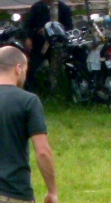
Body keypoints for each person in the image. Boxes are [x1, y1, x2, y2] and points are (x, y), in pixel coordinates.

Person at [0, 46, 58, 203]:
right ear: (18, 69)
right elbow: (43, 152)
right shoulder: (28, 101)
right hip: (13, 192)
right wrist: (52, 191)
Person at [24, 0, 73, 92]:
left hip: (57, 45)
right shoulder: (37, 7)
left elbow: (69, 27)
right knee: (30, 68)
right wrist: (28, 38)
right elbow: (28, 25)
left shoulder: (63, 8)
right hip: (39, 43)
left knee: (59, 68)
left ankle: (58, 90)